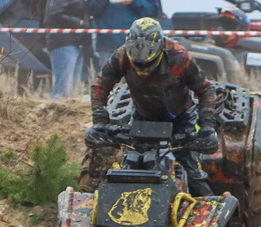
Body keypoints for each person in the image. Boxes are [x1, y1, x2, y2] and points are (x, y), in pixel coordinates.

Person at [87, 17, 218, 193]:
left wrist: (207, 126)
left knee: (192, 173)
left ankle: (204, 202)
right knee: (130, 167)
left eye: (147, 63)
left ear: (159, 48)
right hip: (143, 118)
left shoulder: (179, 56)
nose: (143, 68)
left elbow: (205, 89)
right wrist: (99, 121)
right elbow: (100, 85)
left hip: (181, 118)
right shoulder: (121, 56)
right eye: (138, 64)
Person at [42, 0, 91, 100]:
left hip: (71, 42)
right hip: (64, 43)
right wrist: (79, 23)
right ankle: (54, 112)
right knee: (62, 89)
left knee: (71, 89)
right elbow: (53, 14)